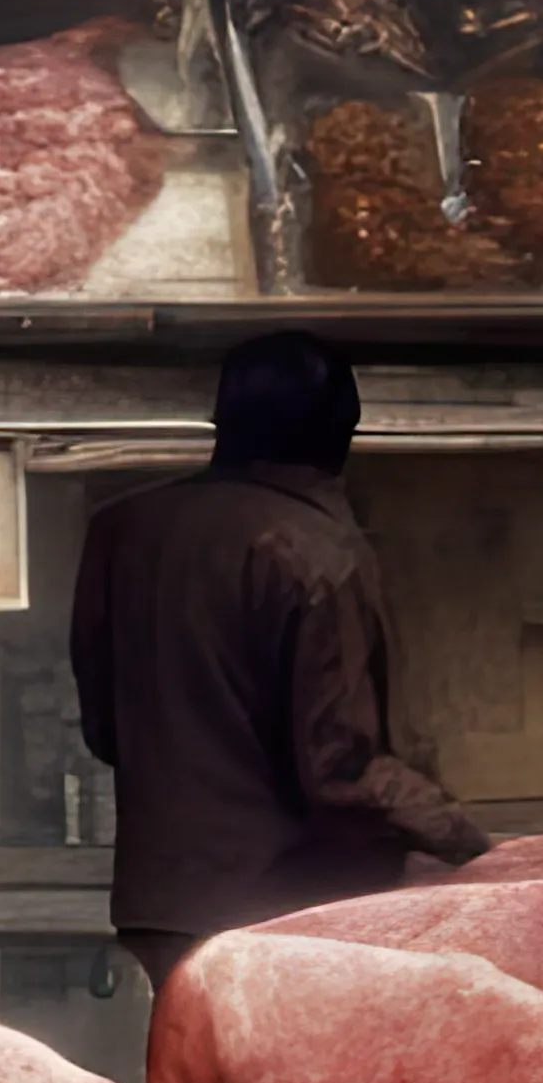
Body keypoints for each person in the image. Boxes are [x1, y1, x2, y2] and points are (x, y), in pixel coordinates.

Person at [69, 330, 490, 991]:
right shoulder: (317, 554)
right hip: (290, 914)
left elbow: (104, 730)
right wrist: (471, 844)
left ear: (223, 425)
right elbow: (340, 770)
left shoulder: (124, 531)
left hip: (164, 906)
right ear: (340, 432)